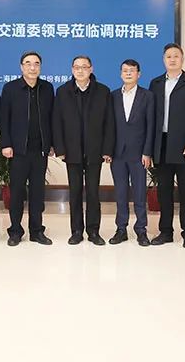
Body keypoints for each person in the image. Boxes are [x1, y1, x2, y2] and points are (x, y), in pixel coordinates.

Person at [148, 43, 185, 249]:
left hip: (184, 146)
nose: (172, 59)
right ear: (163, 60)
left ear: (182, 59)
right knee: (163, 192)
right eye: (168, 56)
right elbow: (151, 117)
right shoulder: (156, 83)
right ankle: (165, 232)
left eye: (176, 56)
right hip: (162, 145)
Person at [53, 55, 115, 246]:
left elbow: (109, 123)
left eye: (84, 67)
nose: (80, 71)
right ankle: (76, 231)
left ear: (91, 69)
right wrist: (60, 148)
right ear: (72, 70)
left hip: (95, 151)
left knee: (93, 193)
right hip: (72, 151)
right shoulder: (63, 91)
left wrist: (107, 149)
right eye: (77, 67)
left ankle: (93, 231)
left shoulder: (103, 91)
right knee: (75, 192)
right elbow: (57, 121)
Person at [0, 51, 55, 246]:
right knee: (16, 193)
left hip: (40, 150)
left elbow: (52, 118)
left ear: (40, 67)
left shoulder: (47, 88)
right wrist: (6, 144)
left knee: (38, 194)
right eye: (28, 63)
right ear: (21, 67)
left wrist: (51, 144)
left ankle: (37, 231)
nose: (32, 67)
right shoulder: (11, 88)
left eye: (36, 63)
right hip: (17, 151)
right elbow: (4, 119)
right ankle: (15, 231)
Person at [109, 59, 155, 246]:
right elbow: (109, 126)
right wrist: (108, 151)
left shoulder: (147, 96)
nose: (128, 73)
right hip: (117, 153)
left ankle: (141, 230)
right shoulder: (113, 96)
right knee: (120, 193)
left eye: (132, 70)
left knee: (139, 194)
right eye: (125, 71)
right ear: (120, 74)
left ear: (139, 74)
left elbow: (151, 126)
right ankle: (121, 229)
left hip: (139, 154)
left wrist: (147, 152)